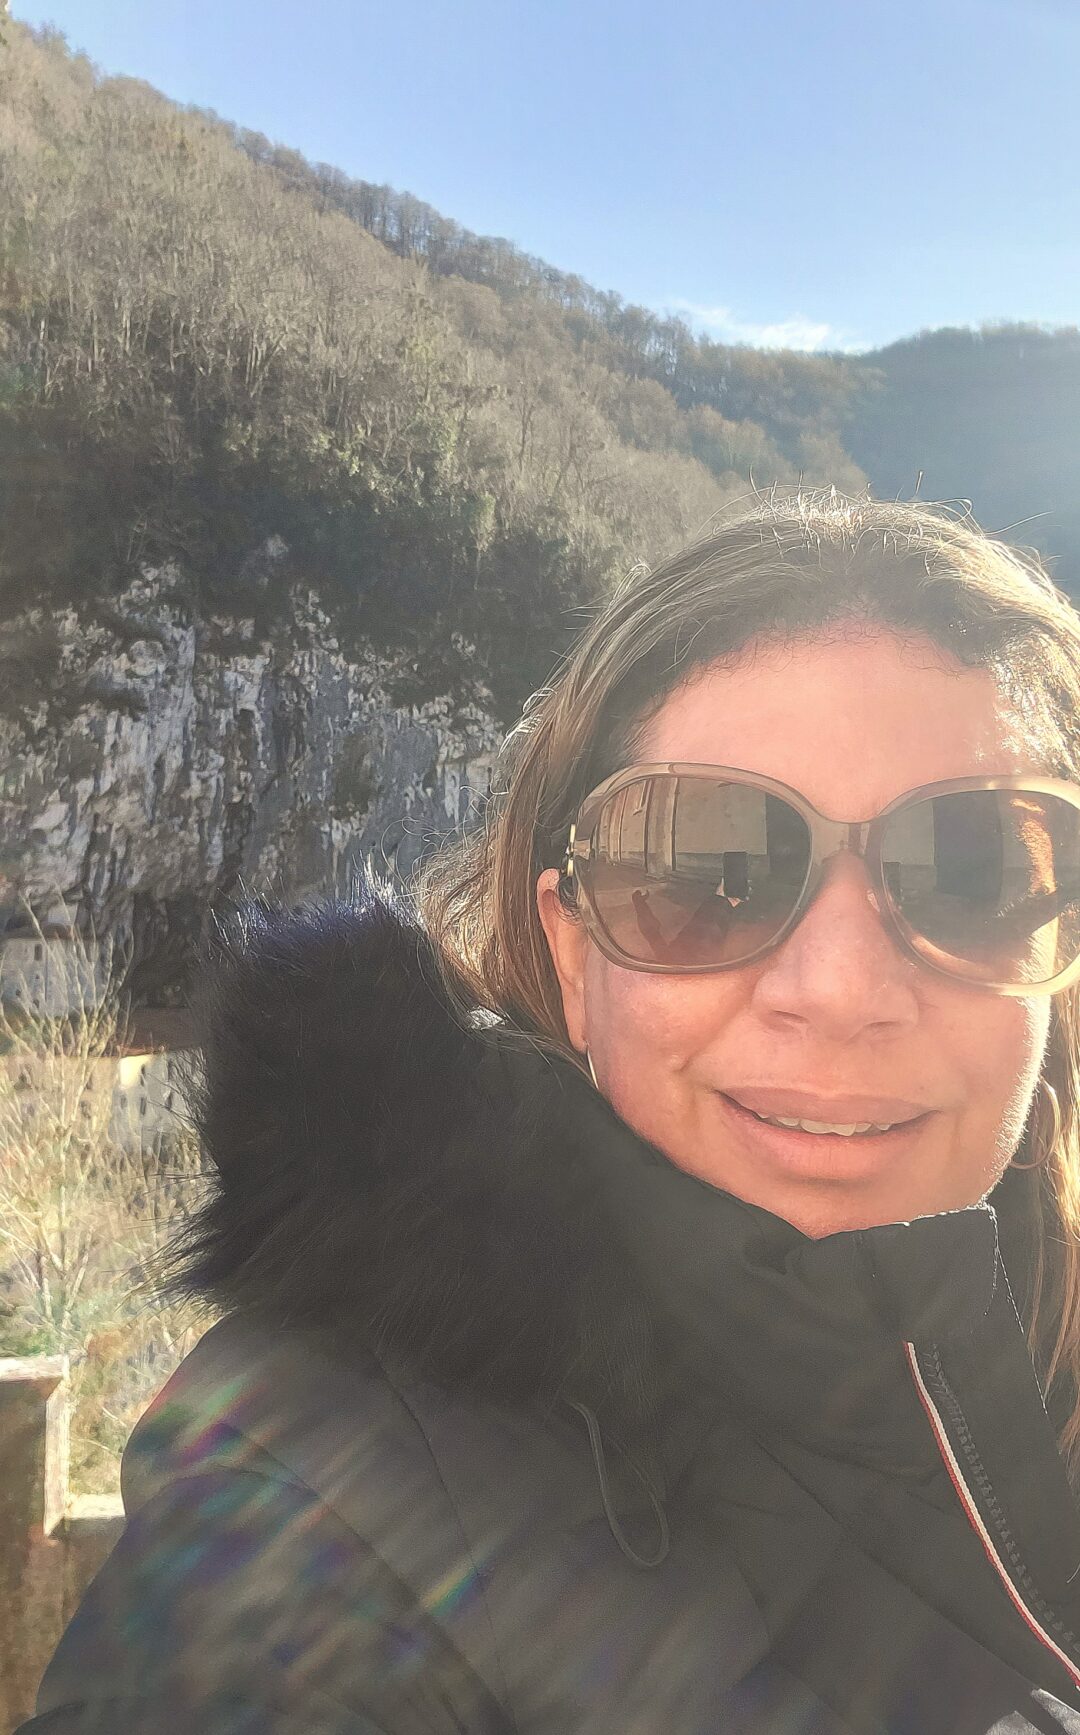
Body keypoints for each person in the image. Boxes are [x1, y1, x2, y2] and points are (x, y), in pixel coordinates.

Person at [22, 488, 1080, 1734]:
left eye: (974, 871)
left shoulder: (1038, 1316)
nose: (842, 990)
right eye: (700, 875)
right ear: (571, 957)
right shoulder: (329, 1474)